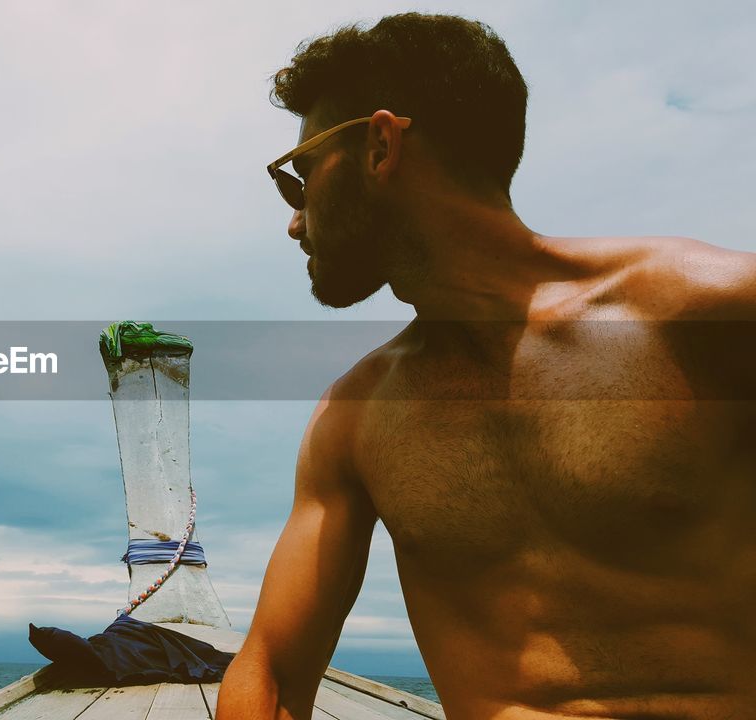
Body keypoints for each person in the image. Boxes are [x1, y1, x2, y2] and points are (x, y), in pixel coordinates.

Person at [216, 12, 755, 720]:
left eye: (301, 178)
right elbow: (274, 678)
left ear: (380, 147)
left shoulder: (705, 318)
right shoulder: (356, 419)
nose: (294, 218)